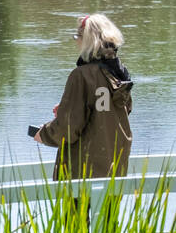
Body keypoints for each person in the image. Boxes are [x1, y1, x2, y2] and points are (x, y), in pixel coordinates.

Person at [34, 13, 134, 182]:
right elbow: (116, 111)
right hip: (114, 170)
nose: (76, 41)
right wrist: (68, 106)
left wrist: (43, 134)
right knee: (107, 210)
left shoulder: (81, 76)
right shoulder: (119, 73)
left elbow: (68, 128)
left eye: (78, 36)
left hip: (82, 172)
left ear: (88, 40)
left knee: (75, 209)